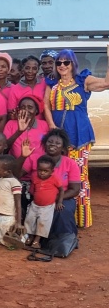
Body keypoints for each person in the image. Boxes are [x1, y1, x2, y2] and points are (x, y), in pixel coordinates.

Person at [45, 48, 109, 228]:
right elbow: (46, 106)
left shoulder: (83, 81)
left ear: (73, 63)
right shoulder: (51, 83)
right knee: (58, 174)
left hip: (79, 136)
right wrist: (51, 125)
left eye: (66, 62)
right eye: (59, 63)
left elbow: (106, 83)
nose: (62, 66)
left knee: (79, 176)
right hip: (58, 137)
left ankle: (82, 219)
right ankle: (62, 216)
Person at [15, 129, 81, 237]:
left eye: (57, 143)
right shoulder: (34, 158)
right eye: (50, 141)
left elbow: (75, 190)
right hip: (37, 197)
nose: (53, 145)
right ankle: (31, 238)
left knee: (63, 210)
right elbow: (17, 175)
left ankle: (61, 241)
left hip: (61, 197)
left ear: (63, 148)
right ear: (45, 143)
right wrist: (23, 156)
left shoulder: (70, 163)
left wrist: (53, 199)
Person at [24, 155, 65, 249]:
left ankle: (36, 241)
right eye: (40, 170)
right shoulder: (35, 177)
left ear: (52, 171)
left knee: (43, 223)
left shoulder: (55, 179)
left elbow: (61, 190)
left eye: (45, 171)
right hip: (35, 204)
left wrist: (59, 202)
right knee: (30, 220)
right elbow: (33, 189)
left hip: (47, 206)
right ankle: (30, 237)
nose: (42, 173)